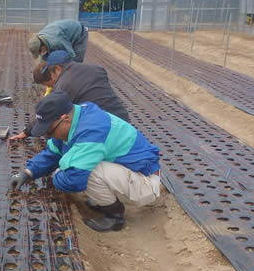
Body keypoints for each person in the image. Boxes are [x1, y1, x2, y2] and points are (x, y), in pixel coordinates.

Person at [9, 90, 160, 232]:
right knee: (75, 163)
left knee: (83, 171)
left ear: (64, 119)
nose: (48, 135)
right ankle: (105, 200)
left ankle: (115, 217)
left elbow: (74, 181)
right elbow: (53, 152)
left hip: (146, 181)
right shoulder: (77, 116)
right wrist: (28, 172)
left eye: (49, 131)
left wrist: (57, 175)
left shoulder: (91, 131)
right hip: (128, 170)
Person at [10, 50, 130, 140]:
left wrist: (26, 132)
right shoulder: (97, 69)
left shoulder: (63, 84)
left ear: (57, 69)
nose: (52, 86)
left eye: (51, 81)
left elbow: (49, 114)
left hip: (104, 130)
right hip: (123, 122)